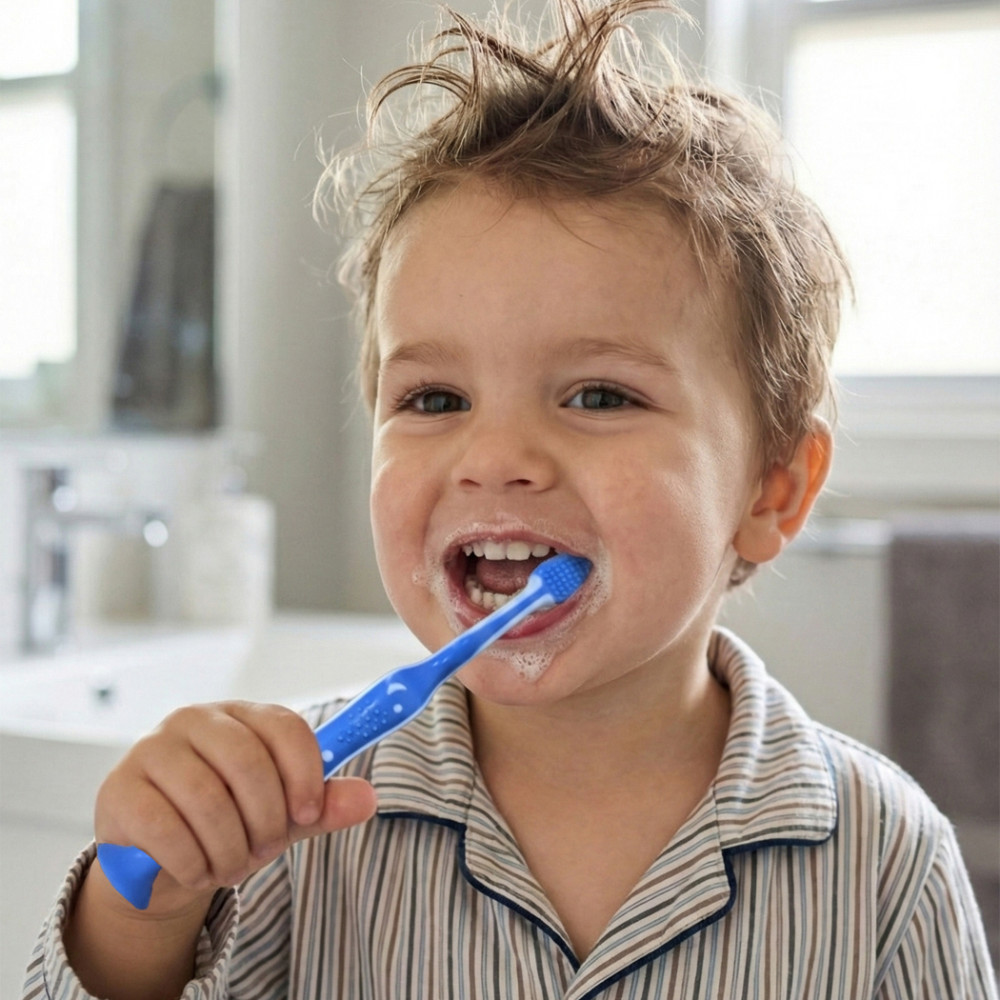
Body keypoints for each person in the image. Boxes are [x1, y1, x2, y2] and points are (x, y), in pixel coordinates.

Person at [24, 1, 996, 997]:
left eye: (599, 395)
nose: (496, 457)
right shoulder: (287, 823)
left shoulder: (884, 856)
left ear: (772, 489)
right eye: (434, 397)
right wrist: (139, 915)